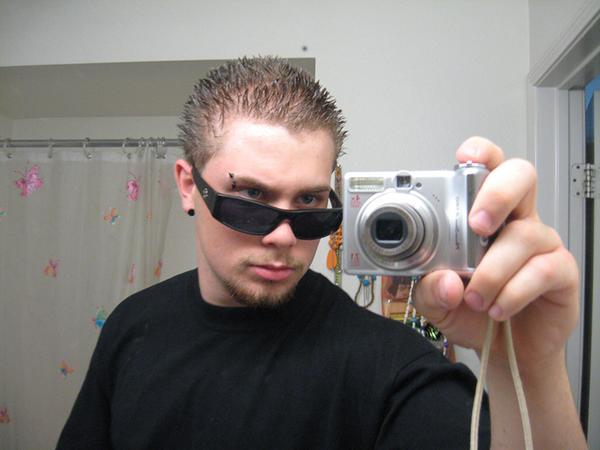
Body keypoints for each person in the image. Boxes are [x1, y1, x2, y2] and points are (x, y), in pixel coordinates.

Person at [57, 57, 587, 449]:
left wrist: (530, 369)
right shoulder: (132, 326)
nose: (284, 238)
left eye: (310, 203)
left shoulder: (394, 369)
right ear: (188, 186)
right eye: (250, 198)